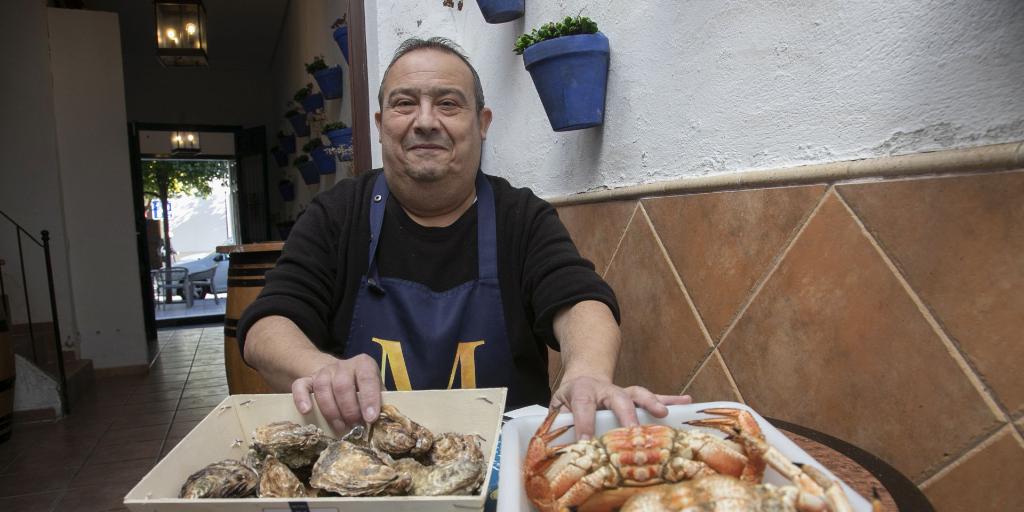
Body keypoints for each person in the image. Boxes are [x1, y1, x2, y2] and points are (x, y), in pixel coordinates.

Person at [238, 37, 691, 440]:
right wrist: (321, 370)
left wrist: (587, 372)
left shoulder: (521, 217)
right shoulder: (339, 214)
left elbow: (579, 298)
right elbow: (267, 326)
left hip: (503, 468)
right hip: (365, 472)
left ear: (483, 122)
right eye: (404, 103)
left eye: (449, 103)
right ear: (380, 123)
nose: (425, 121)